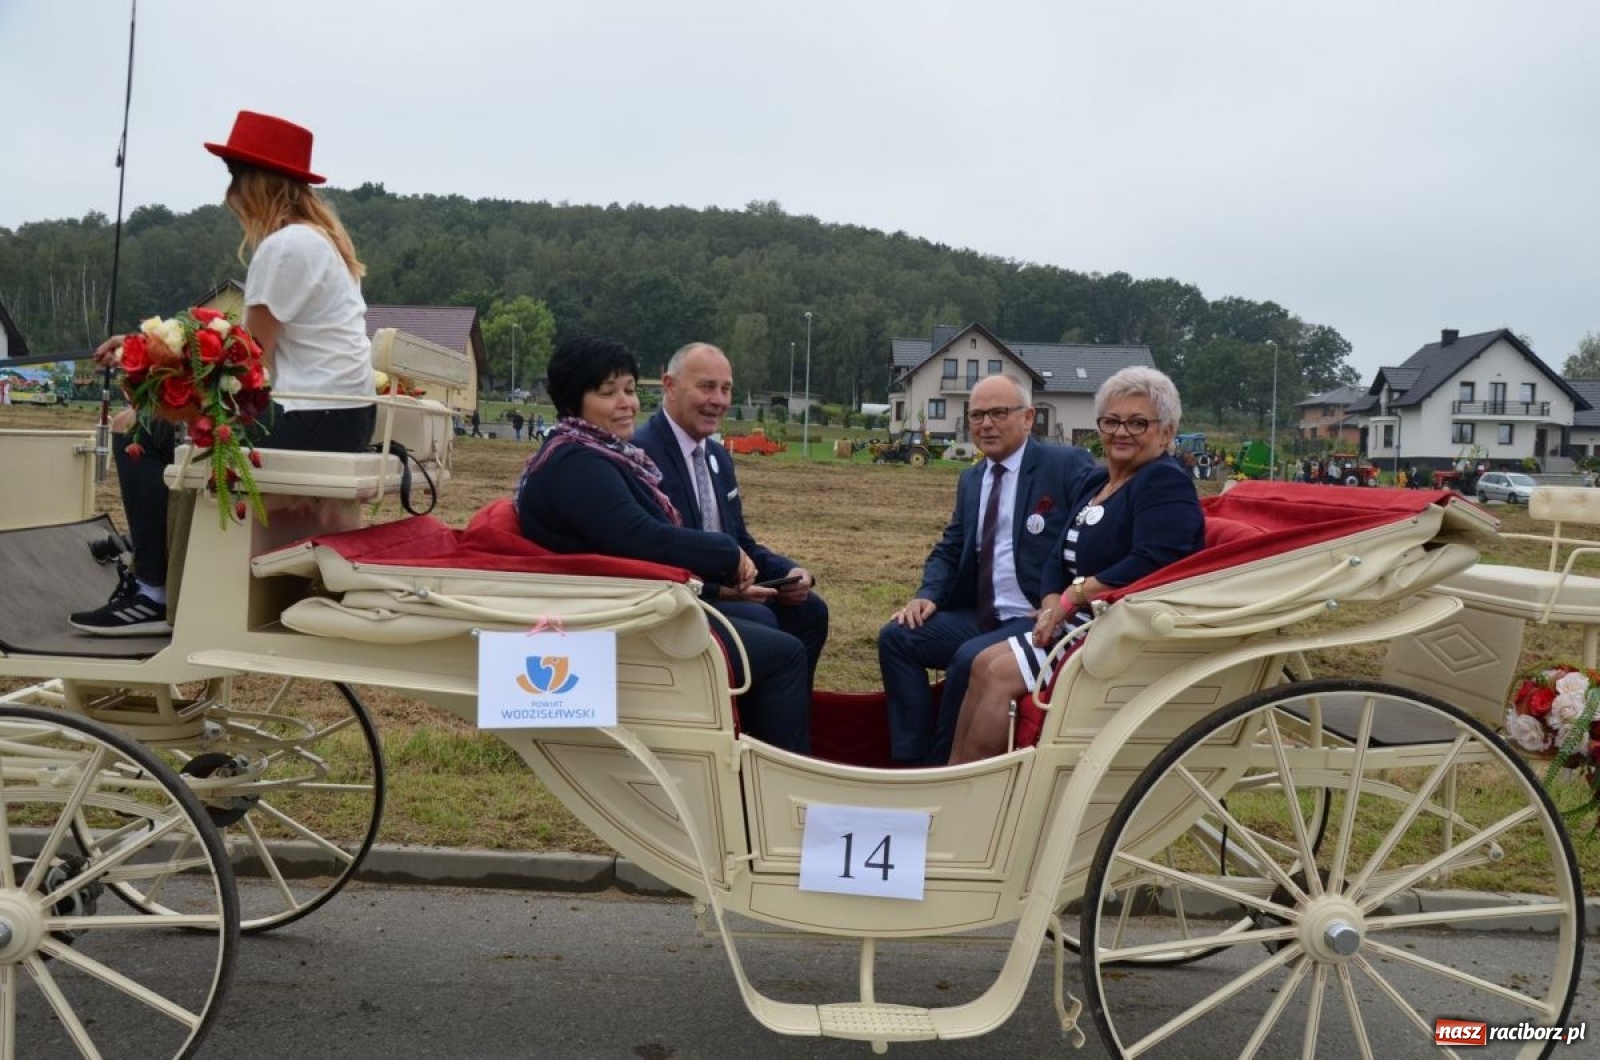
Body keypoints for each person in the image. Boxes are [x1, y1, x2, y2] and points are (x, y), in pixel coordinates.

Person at [70, 110, 377, 636]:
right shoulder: (313, 241)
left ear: (260, 182)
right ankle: (166, 565)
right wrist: (149, 348)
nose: (229, 193)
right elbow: (239, 350)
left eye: (235, 176)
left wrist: (152, 362)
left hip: (313, 418)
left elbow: (242, 358)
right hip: (338, 416)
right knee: (158, 422)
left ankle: (152, 588)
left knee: (133, 428)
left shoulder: (285, 246)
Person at [514, 337, 810, 754]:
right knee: (784, 654)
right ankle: (776, 773)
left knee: (798, 617)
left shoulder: (601, 454)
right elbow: (641, 538)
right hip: (612, 622)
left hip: (635, 601)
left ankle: (760, 753)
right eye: (608, 393)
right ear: (573, 399)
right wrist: (726, 558)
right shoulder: (577, 464)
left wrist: (740, 563)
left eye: (631, 391)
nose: (627, 404)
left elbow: (648, 537)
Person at [947, 366, 1205, 764]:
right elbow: (1056, 554)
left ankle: (972, 793)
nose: (1121, 432)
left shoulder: (1163, 482)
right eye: (1111, 421)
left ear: (1167, 432)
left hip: (1118, 629)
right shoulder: (1097, 484)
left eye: (1138, 423)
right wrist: (1052, 598)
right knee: (981, 663)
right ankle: (949, 778)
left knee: (998, 675)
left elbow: (1156, 559)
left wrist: (1073, 596)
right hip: (1078, 621)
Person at [878, 375, 1094, 766]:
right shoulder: (972, 479)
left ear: (1028, 418)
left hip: (1036, 616)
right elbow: (951, 547)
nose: (986, 424)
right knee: (896, 638)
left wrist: (1063, 598)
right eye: (976, 415)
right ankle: (907, 762)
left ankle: (941, 769)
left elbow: (1093, 536)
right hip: (981, 615)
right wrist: (927, 595)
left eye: (998, 413)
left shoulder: (1064, 466)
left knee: (967, 657)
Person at [634, 342, 829, 686]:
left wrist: (787, 572)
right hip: (679, 606)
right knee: (760, 619)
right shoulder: (641, 455)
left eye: (726, 389)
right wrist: (723, 592)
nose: (719, 400)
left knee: (810, 611)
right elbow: (650, 555)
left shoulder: (717, 457)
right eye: (707, 387)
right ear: (669, 386)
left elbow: (738, 540)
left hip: (731, 595)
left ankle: (788, 714)